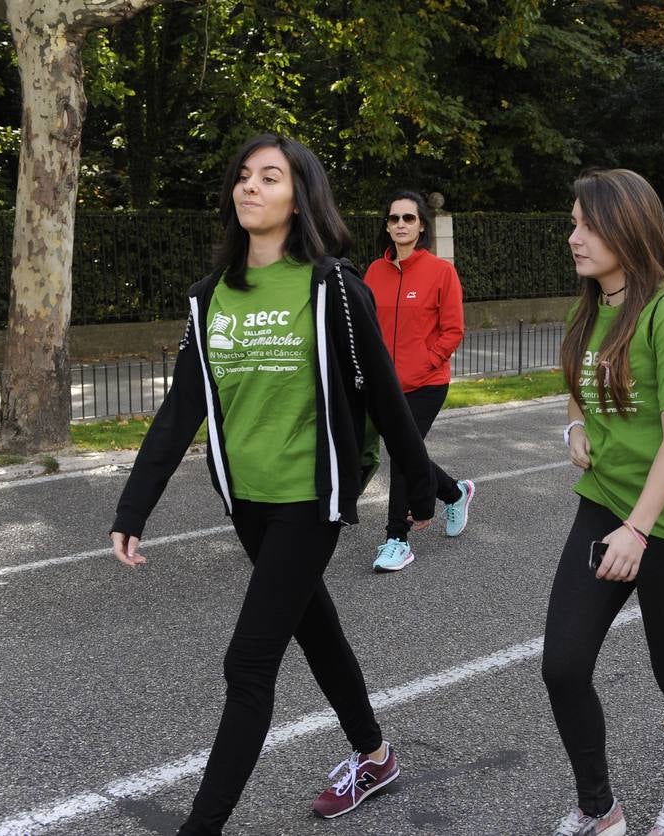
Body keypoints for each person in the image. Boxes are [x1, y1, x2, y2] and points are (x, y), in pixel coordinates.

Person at [108, 134, 437, 833]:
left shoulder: (333, 288)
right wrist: (134, 507)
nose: (250, 187)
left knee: (249, 660)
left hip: (309, 498)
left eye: (269, 177)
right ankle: (375, 756)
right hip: (247, 501)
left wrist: (420, 490)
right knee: (313, 626)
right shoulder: (210, 298)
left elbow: (383, 393)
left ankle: (202, 826)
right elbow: (180, 413)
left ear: (299, 197)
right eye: (243, 177)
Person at [544, 168, 664, 836]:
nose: (574, 237)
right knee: (561, 665)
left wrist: (638, 532)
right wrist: (576, 425)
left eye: (587, 224)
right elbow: (576, 375)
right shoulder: (588, 308)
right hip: (604, 506)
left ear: (628, 226)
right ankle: (600, 808)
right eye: (572, 223)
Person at [363, 189, 475, 572]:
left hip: (427, 383)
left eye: (408, 218)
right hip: (385, 386)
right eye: (393, 219)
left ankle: (397, 538)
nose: (400, 225)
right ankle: (454, 491)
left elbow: (453, 330)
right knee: (408, 452)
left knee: (399, 458)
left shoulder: (441, 271)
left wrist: (427, 362)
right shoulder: (374, 272)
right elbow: (367, 328)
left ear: (421, 225)